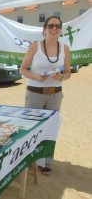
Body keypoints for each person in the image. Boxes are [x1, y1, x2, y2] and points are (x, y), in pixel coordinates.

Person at [19, 16, 71, 176]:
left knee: (50, 128)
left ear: (60, 29)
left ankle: (47, 162)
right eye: (50, 25)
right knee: (31, 128)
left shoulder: (65, 48)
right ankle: (30, 159)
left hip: (55, 95)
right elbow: (23, 69)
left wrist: (61, 77)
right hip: (35, 94)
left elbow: (68, 72)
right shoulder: (35, 46)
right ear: (45, 29)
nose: (54, 28)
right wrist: (36, 77)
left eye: (57, 26)